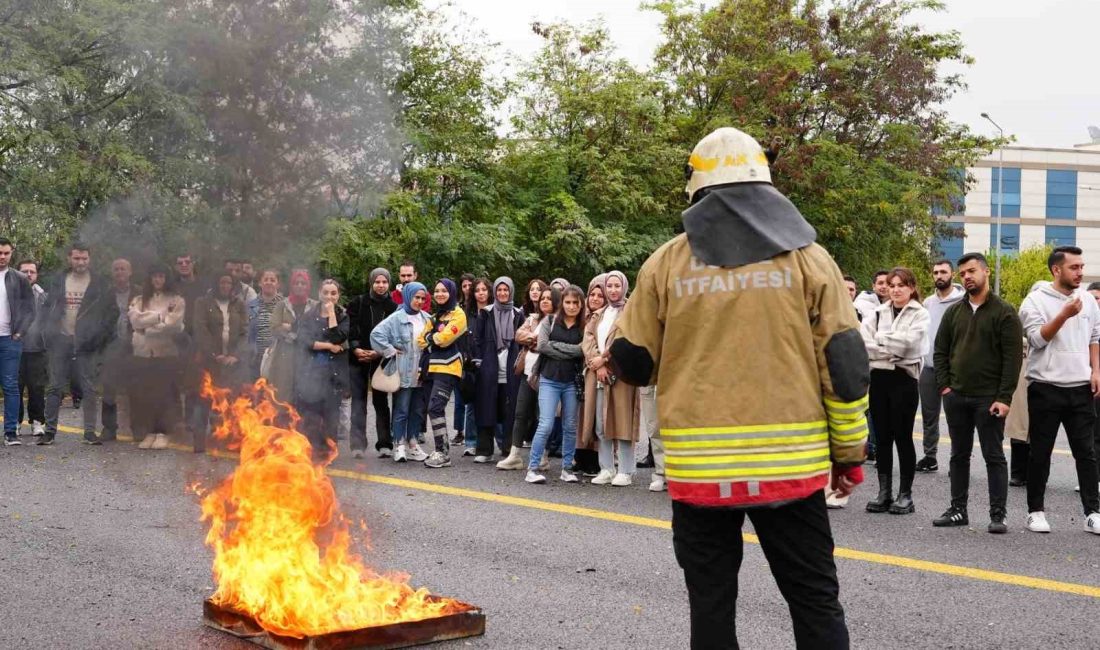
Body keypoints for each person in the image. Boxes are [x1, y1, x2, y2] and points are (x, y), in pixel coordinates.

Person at [608, 127, 868, 649]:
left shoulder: (665, 263)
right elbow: (844, 369)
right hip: (790, 471)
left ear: (697, 190)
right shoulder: (810, 259)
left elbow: (633, 362)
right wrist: (849, 455)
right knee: (814, 599)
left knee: (711, 604)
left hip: (701, 474)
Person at [932, 252, 1022, 533]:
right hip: (957, 396)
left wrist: (1004, 397)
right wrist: (945, 387)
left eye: (972, 271)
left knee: (993, 455)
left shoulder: (1004, 312)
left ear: (986, 272)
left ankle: (998, 515)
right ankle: (959, 510)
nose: (967, 277)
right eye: (963, 274)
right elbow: (940, 352)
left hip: (989, 399)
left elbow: (1012, 359)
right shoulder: (954, 312)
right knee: (958, 455)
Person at [1017, 246, 1100, 535]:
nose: (1080, 272)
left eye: (1081, 266)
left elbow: (1095, 335)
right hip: (1045, 387)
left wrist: (1096, 370)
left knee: (1086, 453)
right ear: (1056, 270)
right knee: (1040, 452)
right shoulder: (1034, 301)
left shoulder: (1088, 300)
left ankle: (1093, 512)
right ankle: (1035, 512)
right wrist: (1064, 314)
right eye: (1074, 267)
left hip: (1080, 388)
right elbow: (1037, 340)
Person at [860, 267, 928, 515]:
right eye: (892, 285)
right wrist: (890, 346)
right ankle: (884, 492)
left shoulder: (920, 314)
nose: (896, 289)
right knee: (883, 438)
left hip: (904, 380)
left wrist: (879, 342)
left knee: (903, 437)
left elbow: (910, 346)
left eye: (902, 285)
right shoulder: (877, 313)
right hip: (878, 380)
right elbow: (862, 343)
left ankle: (905, 495)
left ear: (911, 287)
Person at [39, 243, 119, 446]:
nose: (81, 262)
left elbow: (111, 314)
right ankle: (49, 432)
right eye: (76, 258)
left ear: (89, 259)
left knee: (89, 388)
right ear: (69, 259)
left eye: (84, 258)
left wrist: (97, 338)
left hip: (87, 343)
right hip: (61, 340)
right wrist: (48, 332)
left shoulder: (100, 283)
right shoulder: (59, 280)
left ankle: (90, 433)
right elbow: (48, 307)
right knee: (54, 387)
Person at [581, 271, 640, 486]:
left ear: (624, 287)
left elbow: (626, 340)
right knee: (600, 421)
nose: (613, 290)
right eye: (610, 286)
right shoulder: (599, 313)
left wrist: (605, 361)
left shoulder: (631, 311)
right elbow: (587, 338)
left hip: (622, 373)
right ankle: (606, 468)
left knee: (622, 420)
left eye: (617, 285)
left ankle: (625, 470)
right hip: (597, 373)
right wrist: (596, 362)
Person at [525, 285, 586, 484]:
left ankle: (567, 468)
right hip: (549, 379)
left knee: (570, 425)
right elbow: (542, 346)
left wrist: (556, 347)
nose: (571, 306)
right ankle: (532, 468)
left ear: (581, 304)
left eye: (575, 303)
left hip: (571, 381)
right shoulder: (549, 321)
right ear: (562, 303)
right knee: (546, 424)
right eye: (567, 302)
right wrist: (570, 350)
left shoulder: (584, 325)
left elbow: (582, 351)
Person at [497, 286, 559, 470]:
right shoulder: (532, 318)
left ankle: (543, 457)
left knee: (543, 416)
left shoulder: (559, 321)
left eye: (549, 298)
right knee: (520, 413)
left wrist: (535, 341)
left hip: (547, 374)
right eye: (542, 298)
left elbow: (550, 343)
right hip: (527, 372)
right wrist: (534, 338)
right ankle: (515, 455)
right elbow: (518, 335)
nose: (545, 301)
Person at [370, 282, 431, 463]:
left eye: (422, 298)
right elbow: (376, 335)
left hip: (421, 372)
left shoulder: (428, 318)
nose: (419, 301)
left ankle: (413, 444)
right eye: (416, 297)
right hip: (403, 371)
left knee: (417, 411)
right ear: (407, 296)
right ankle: (399, 445)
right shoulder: (396, 318)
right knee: (402, 409)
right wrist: (389, 350)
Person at [127, 263, 185, 450]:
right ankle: (150, 432)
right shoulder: (139, 299)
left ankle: (164, 433)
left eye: (161, 276)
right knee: (147, 395)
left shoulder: (176, 300)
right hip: (143, 353)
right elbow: (135, 321)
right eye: (154, 277)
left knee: (164, 395)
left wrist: (147, 324)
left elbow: (173, 326)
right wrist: (160, 316)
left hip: (165, 353)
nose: (157, 280)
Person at [916, 259, 965, 473]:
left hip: (953, 369)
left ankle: (959, 459)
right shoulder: (928, 302)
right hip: (928, 368)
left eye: (943, 272)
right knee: (929, 415)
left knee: (956, 416)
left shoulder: (962, 301)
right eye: (935, 272)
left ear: (952, 274)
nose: (939, 276)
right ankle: (930, 456)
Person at [192, 271, 250, 451]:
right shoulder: (203, 303)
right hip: (209, 361)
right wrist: (214, 354)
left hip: (232, 363)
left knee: (233, 403)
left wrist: (235, 355)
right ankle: (199, 442)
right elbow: (200, 330)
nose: (225, 286)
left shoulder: (239, 304)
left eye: (228, 283)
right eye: (222, 282)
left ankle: (231, 441)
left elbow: (244, 332)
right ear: (216, 284)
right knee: (203, 402)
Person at [472, 277, 525, 462]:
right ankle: (484, 450)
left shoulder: (518, 313)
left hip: (510, 370)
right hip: (489, 369)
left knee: (510, 411)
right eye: (499, 290)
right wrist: (479, 363)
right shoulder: (486, 313)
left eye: (506, 290)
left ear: (511, 291)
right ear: (495, 292)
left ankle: (508, 450)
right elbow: (477, 340)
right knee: (486, 408)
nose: (503, 293)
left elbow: (523, 341)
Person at [295, 279, 350, 458]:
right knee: (310, 413)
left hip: (333, 374)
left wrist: (331, 314)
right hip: (311, 372)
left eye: (333, 293)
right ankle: (310, 449)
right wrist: (328, 347)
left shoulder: (343, 315)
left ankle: (328, 452)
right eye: (325, 292)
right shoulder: (309, 315)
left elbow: (338, 337)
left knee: (331, 415)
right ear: (319, 293)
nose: (329, 296)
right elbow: (305, 341)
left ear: (338, 295)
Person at [347, 268, 397, 459]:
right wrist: (355, 348)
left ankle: (385, 443)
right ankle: (357, 445)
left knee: (381, 402)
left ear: (389, 284)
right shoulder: (358, 303)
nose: (381, 285)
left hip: (381, 359)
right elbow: (350, 328)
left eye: (384, 282)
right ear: (371, 282)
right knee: (358, 402)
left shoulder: (393, 307)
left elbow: (394, 335)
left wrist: (379, 353)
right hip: (358, 358)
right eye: (377, 282)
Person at [419, 278, 468, 468]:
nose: (440, 294)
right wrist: (433, 338)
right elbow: (420, 340)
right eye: (437, 290)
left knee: (435, 407)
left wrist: (432, 338)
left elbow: (445, 339)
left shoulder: (459, 314)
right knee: (432, 408)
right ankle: (441, 449)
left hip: (449, 367)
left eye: (444, 291)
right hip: (432, 367)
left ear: (452, 292)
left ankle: (443, 452)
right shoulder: (434, 316)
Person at [99, 257, 139, 441]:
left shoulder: (140, 293)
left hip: (135, 347)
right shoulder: (106, 294)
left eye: (123, 269)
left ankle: (138, 427)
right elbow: (98, 321)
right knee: (109, 388)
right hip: (112, 347)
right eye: (116, 269)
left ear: (130, 272)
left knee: (136, 388)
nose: (120, 272)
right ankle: (109, 428)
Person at [0, 238, 35, 446]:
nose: (2, 257)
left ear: (11, 253)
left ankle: (10, 431)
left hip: (10, 340)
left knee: (11, 386)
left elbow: (30, 310)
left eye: (6, 253)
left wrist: (20, 333)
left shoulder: (20, 278)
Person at [265, 269, 316, 401]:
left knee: (306, 392)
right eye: (296, 283)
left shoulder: (314, 306)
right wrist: (295, 336)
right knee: (283, 392)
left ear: (308, 286)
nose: (299, 286)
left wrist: (291, 327)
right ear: (291, 285)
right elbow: (274, 328)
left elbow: (316, 330)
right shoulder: (282, 305)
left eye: (303, 283)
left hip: (308, 355)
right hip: (284, 355)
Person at [460, 277, 493, 456]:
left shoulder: (494, 312)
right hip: (471, 363)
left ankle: (500, 442)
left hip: (491, 363)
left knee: (492, 402)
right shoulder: (467, 313)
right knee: (471, 404)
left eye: (484, 289)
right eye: (477, 290)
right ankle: (470, 442)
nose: (481, 293)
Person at [16, 259, 47, 437]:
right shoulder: (9, 293)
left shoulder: (43, 296)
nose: (28, 275)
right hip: (15, 347)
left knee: (37, 387)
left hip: (37, 348)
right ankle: (16, 423)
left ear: (36, 275)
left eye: (32, 272)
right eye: (24, 271)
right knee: (15, 387)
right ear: (18, 273)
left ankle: (37, 422)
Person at [451, 273, 476, 446]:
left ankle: (472, 435)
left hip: (473, 354)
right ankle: (459, 431)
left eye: (470, 285)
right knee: (458, 397)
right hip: (458, 353)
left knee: (472, 397)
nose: (467, 288)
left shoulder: (477, 308)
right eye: (464, 285)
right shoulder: (456, 307)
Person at [247, 269, 283, 380]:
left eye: (272, 280)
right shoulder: (249, 306)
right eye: (265, 279)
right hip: (255, 358)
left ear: (278, 284)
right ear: (259, 283)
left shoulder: (286, 305)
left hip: (277, 358)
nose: (269, 282)